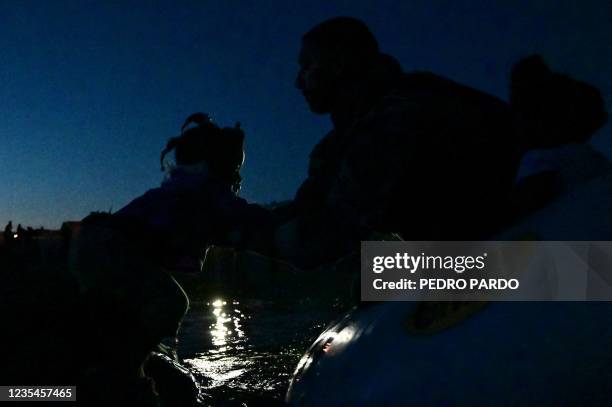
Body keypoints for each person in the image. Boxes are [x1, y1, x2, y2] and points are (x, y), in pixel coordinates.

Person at [275, 17, 606, 269]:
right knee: (375, 279)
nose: (298, 81)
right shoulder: (341, 143)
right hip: (487, 255)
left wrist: (243, 236)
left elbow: (325, 238)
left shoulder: (405, 109)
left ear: (338, 64)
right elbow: (309, 207)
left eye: (307, 65)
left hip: (554, 258)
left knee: (377, 278)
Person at [70, 113, 273, 405]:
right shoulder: (207, 192)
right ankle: (122, 375)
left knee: (131, 304)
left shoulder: (180, 187)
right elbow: (249, 217)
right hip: (110, 247)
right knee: (171, 301)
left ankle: (115, 362)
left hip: (94, 243)